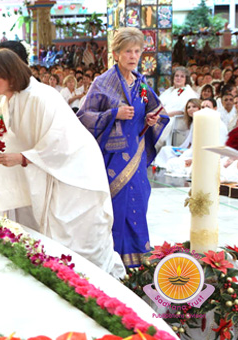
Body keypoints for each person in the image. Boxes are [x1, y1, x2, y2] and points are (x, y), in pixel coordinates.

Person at [0, 49, 126, 277]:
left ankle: (98, 294)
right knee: (53, 244)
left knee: (77, 244)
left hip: (74, 176)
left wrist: (23, 157)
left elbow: (60, 140)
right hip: (52, 171)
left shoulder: (42, 97)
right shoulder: (9, 100)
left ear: (9, 75)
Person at [76, 28, 167, 268]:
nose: (133, 56)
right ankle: (112, 262)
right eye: (128, 51)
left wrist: (150, 120)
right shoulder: (102, 83)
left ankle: (138, 264)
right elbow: (84, 116)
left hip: (135, 159)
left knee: (138, 204)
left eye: (137, 51)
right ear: (116, 54)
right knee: (115, 210)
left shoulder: (141, 83)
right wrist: (114, 113)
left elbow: (156, 111)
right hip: (111, 160)